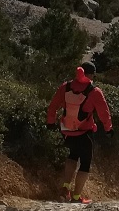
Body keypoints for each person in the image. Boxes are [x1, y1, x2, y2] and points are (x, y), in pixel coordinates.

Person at [46, 62, 113, 203]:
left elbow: (53, 106)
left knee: (72, 156)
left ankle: (65, 189)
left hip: (67, 131)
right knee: (85, 163)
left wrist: (50, 121)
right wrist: (108, 129)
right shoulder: (94, 92)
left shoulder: (66, 87)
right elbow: (104, 113)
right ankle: (76, 196)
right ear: (90, 75)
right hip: (84, 132)